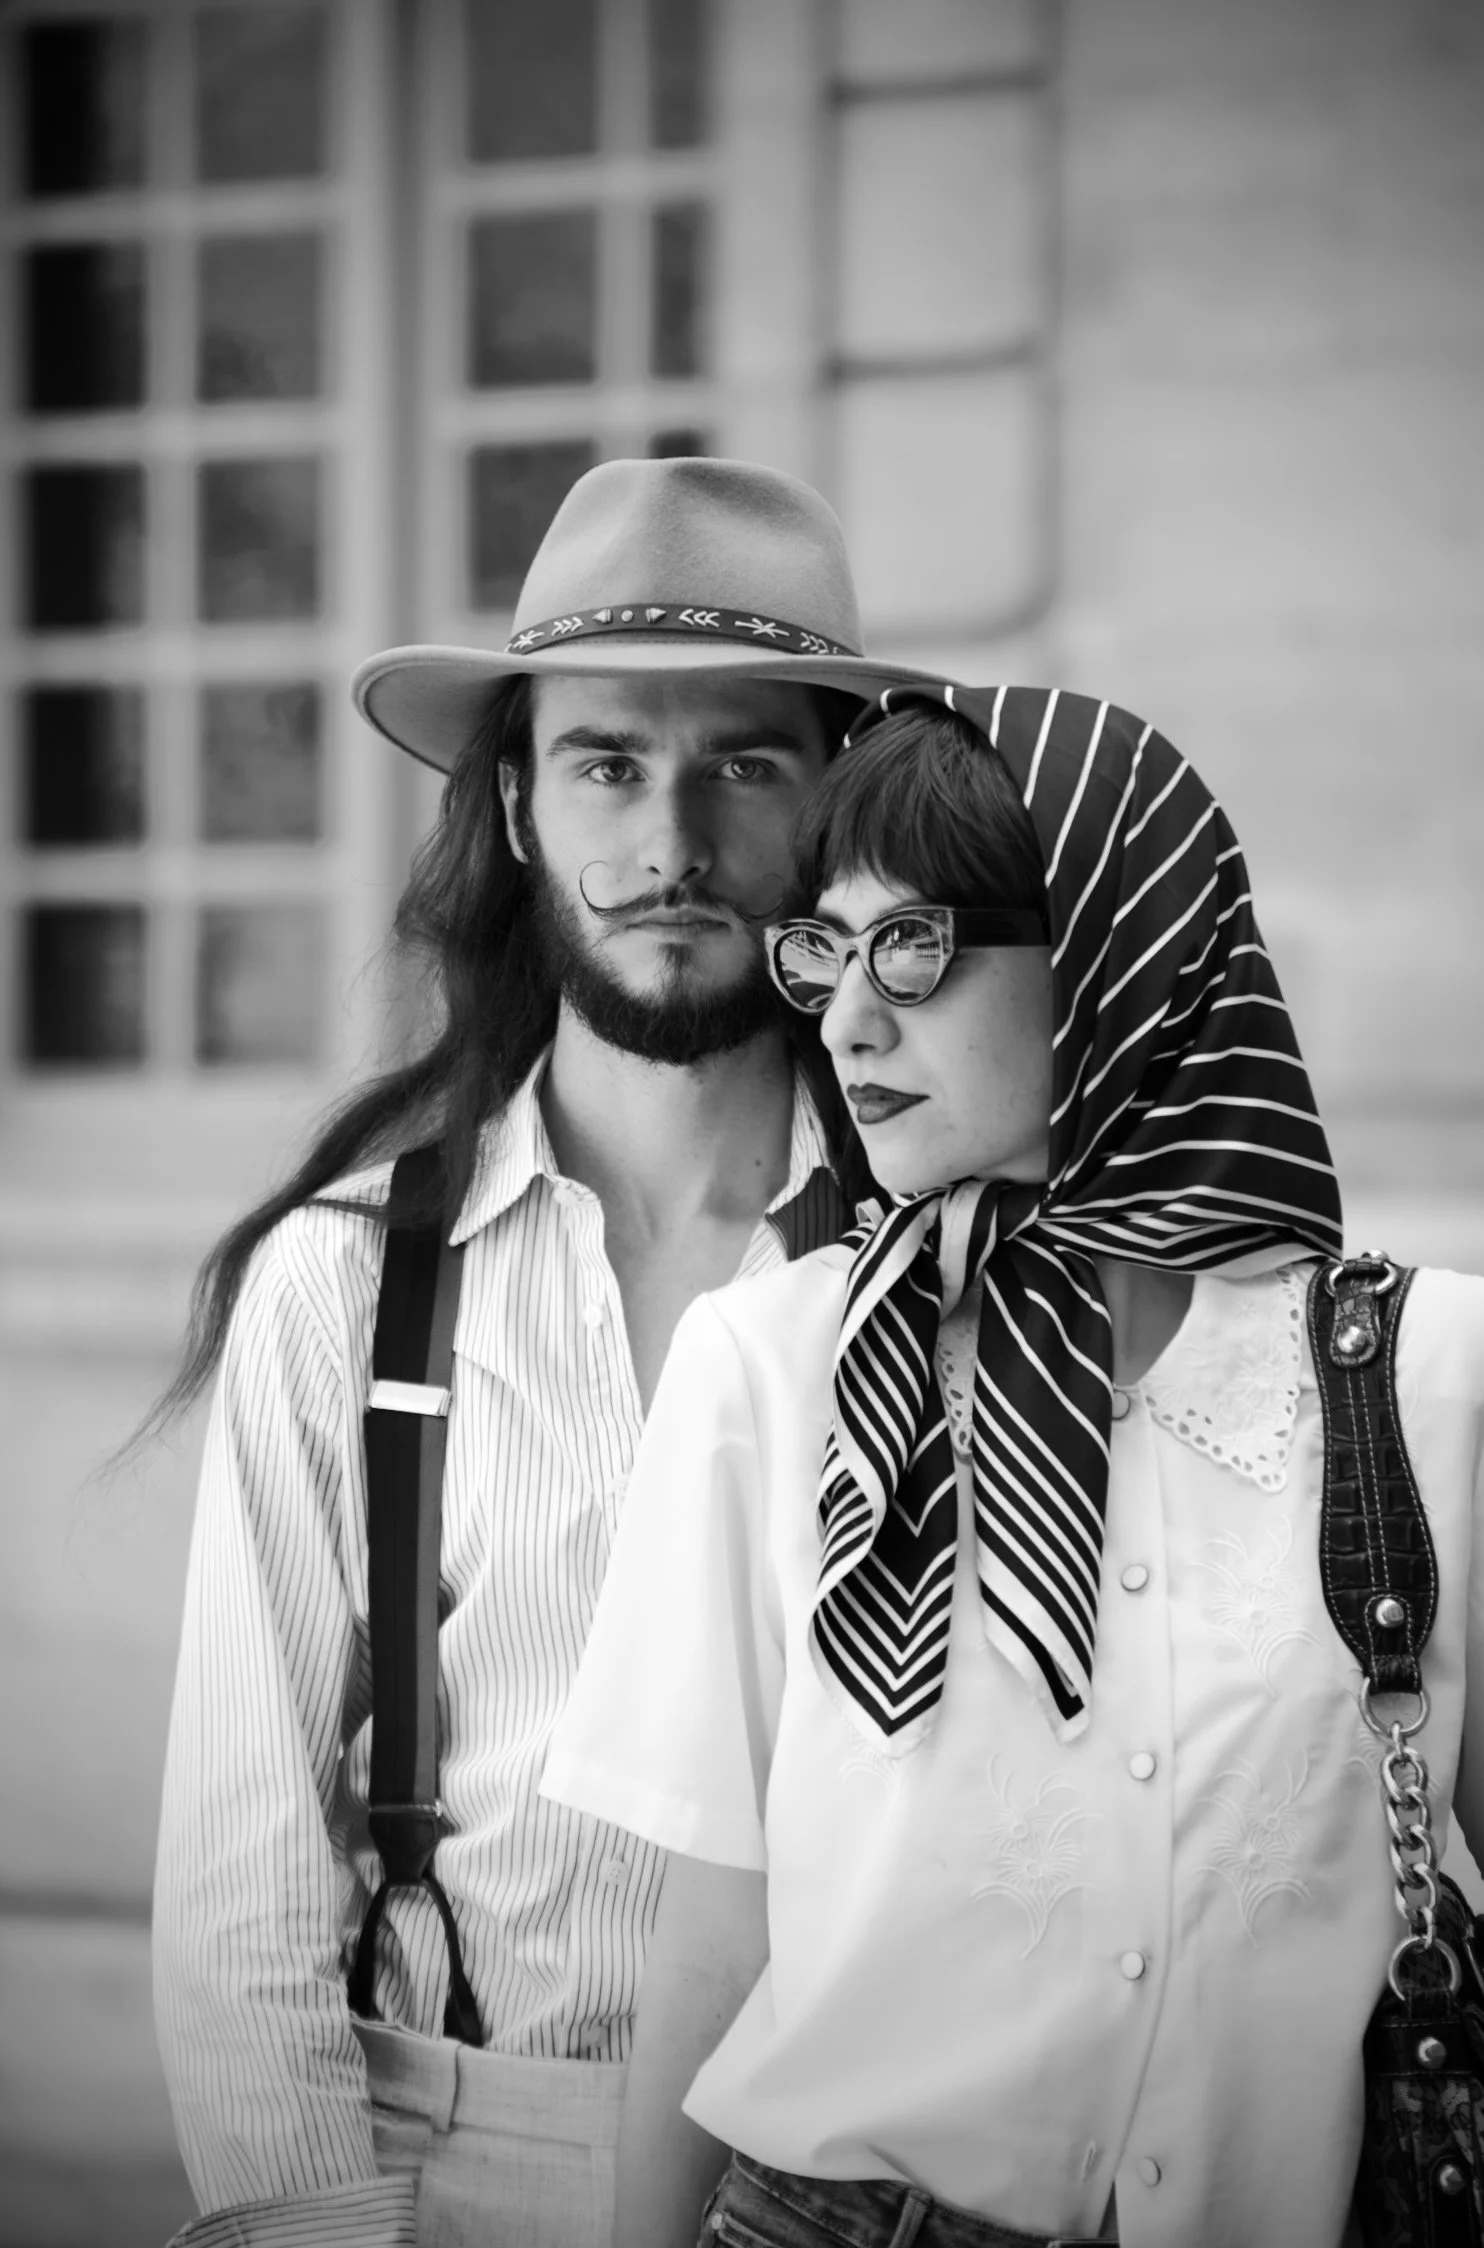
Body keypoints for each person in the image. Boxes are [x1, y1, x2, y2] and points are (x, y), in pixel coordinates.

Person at [541, 682, 1484, 2248]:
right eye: (822, 952)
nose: (847, 1020)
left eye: (914, 943)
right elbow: (712, 1946)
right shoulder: (767, 1371)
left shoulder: (1427, 1379)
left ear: (1122, 948)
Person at [151, 457, 947, 2248]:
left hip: (871, 2175)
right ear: (513, 807)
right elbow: (242, 1887)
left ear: (834, 809)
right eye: (606, 763)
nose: (667, 845)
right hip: (447, 2151)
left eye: (743, 762)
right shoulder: (342, 1287)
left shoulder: (946, 1272)